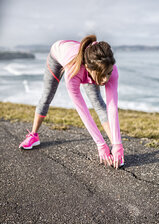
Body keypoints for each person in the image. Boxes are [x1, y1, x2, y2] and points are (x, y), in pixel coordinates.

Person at [19, 34, 124, 169]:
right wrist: (100, 145)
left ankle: (114, 146)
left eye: (108, 73)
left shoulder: (109, 68)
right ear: (88, 68)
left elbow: (112, 107)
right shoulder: (73, 74)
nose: (105, 79)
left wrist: (117, 145)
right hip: (57, 55)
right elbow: (83, 111)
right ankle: (33, 135)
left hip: (84, 59)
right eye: (102, 75)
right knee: (47, 96)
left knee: (98, 102)